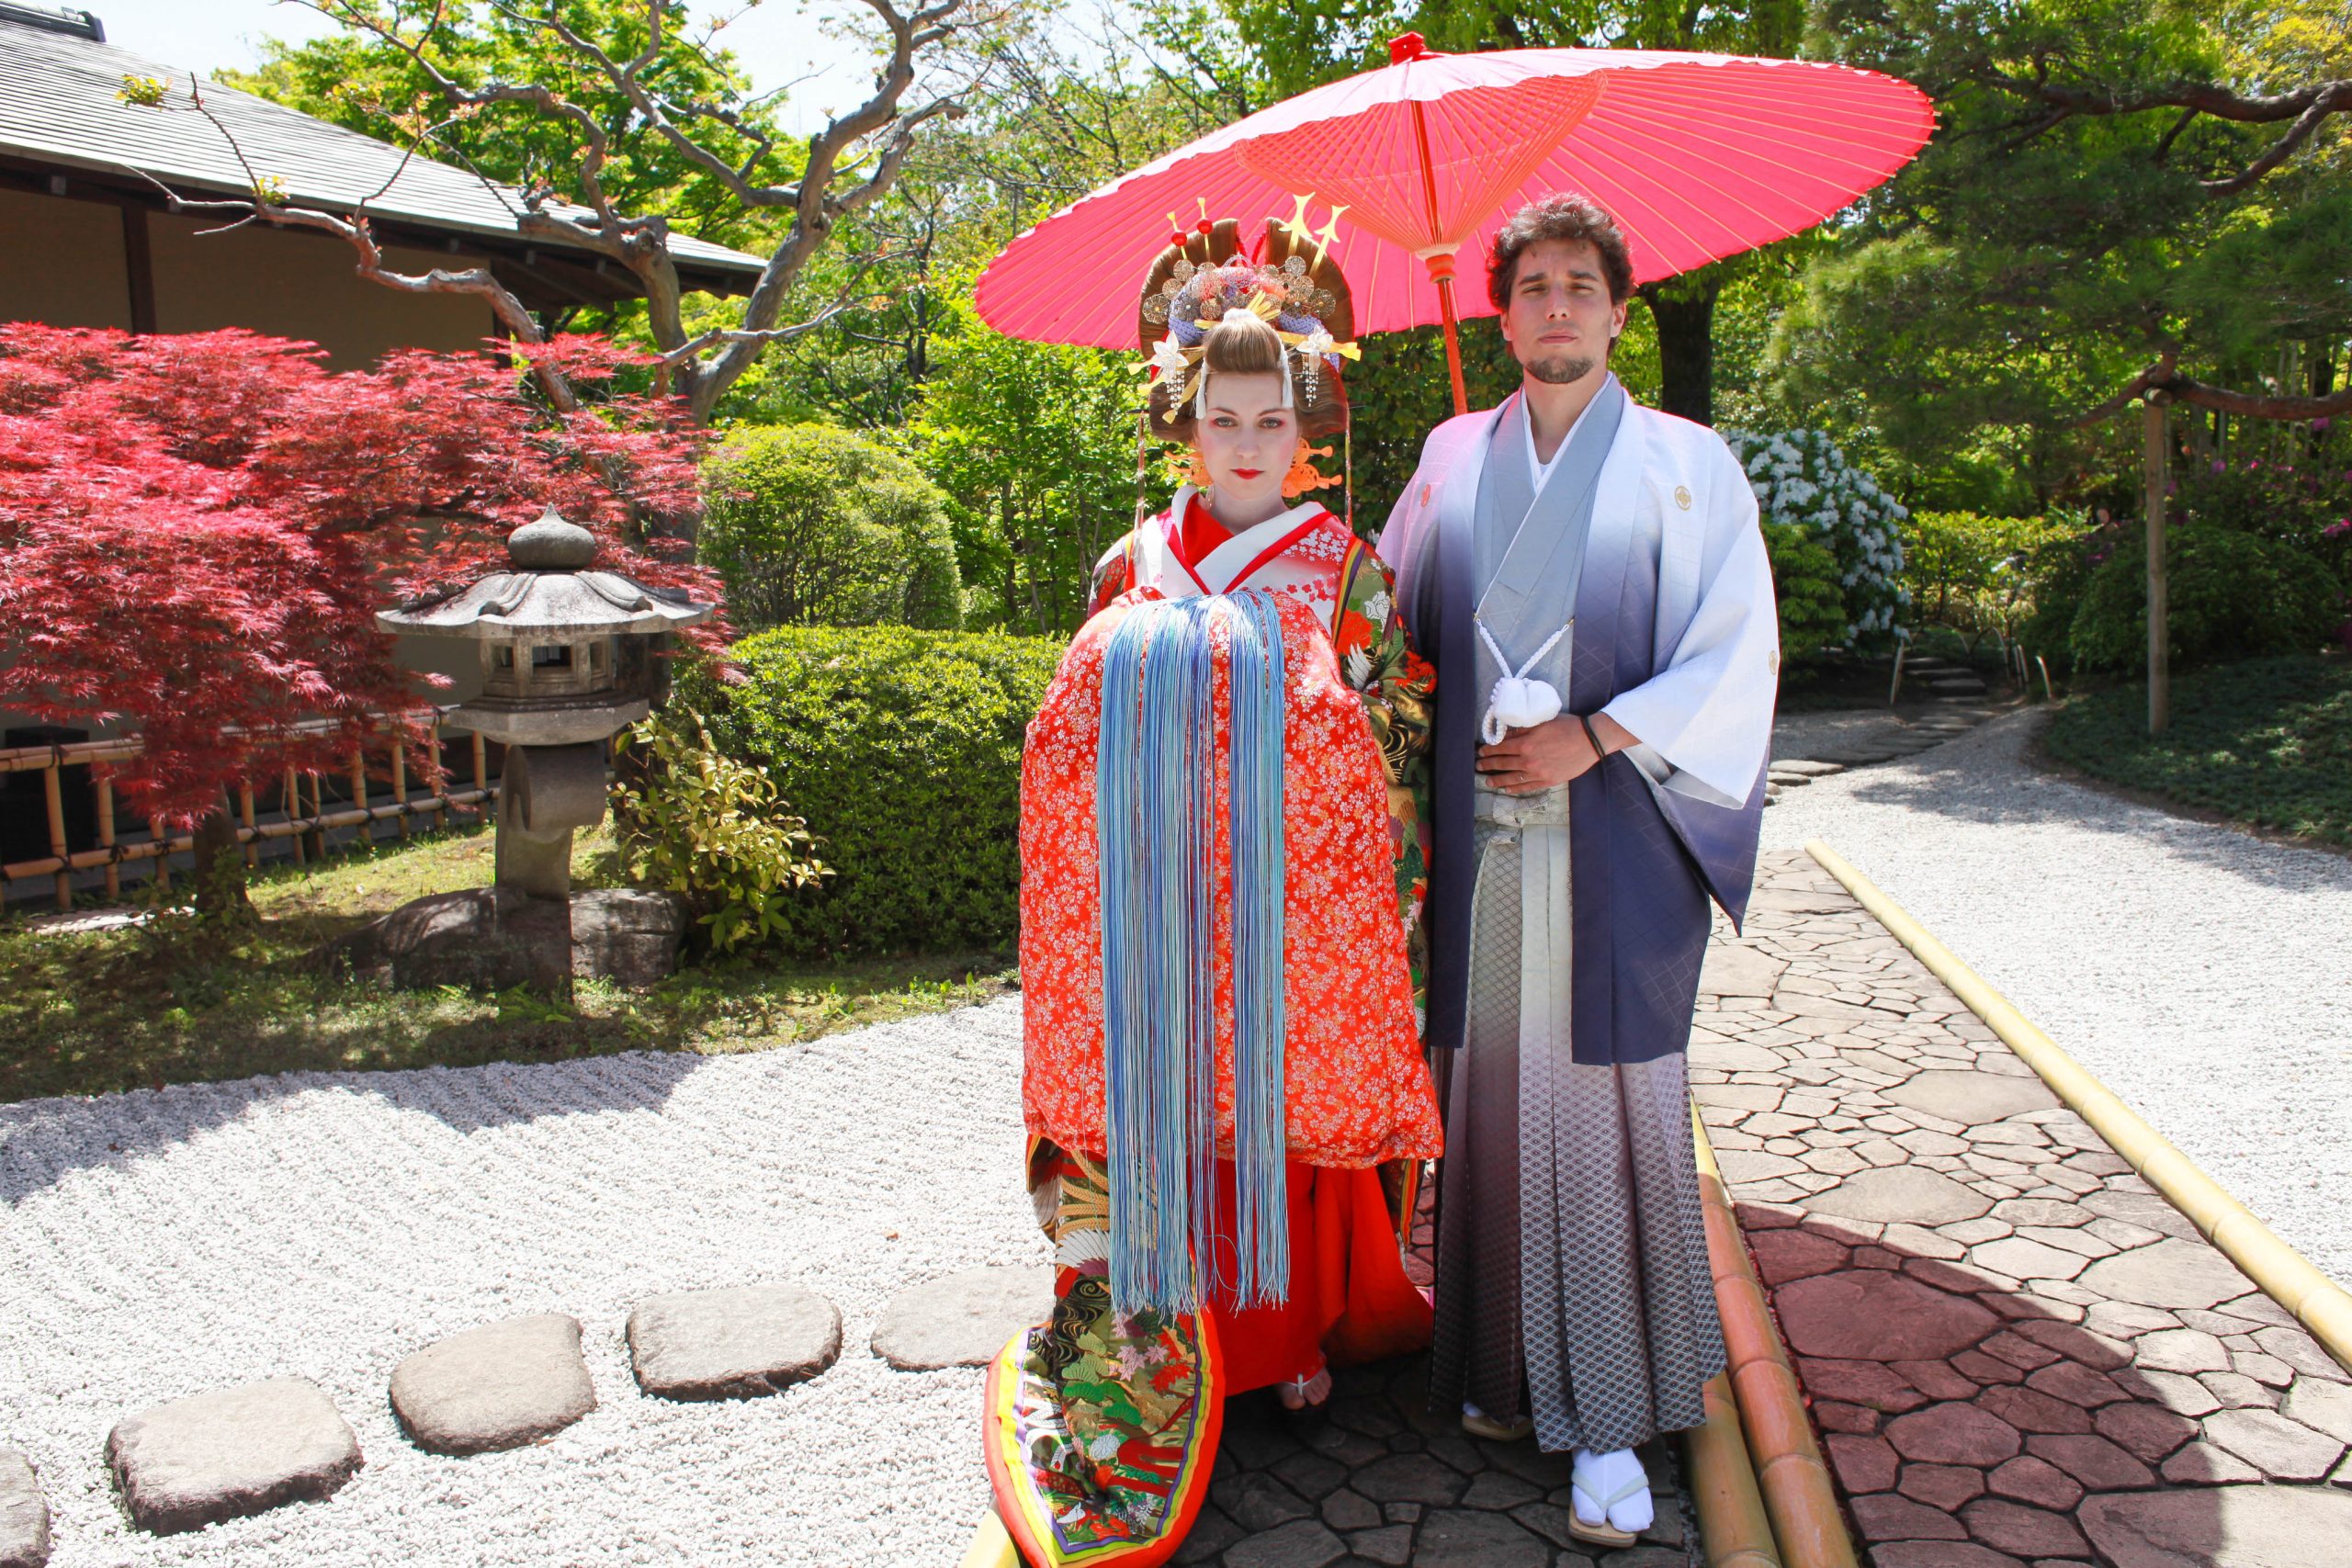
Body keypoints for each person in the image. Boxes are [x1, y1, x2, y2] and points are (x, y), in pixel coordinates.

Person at [984, 217, 1443, 1568]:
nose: (1249, 443)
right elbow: (1072, 733)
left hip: (1289, 910)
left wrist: (1348, 825)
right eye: (1222, 417)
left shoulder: (1345, 568)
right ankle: (1157, 1326)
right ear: (1183, 422)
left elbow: (1396, 727)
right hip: (1150, 896)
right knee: (1160, 1108)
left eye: (1272, 417)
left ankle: (1284, 1338)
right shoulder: (1135, 566)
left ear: (1308, 426)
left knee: (1280, 1113)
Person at [1379, 193, 1779, 1549]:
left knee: (1604, 1129)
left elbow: (1736, 655)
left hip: (1613, 840)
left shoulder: (1687, 464)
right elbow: (1380, 636)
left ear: (1618, 310)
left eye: (1580, 285)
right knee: (1492, 1116)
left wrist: (1593, 735)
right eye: (1532, 285)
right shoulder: (1445, 455)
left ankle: (1608, 1415)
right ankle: (1504, 1379)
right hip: (1486, 855)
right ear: (1501, 314)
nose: (1557, 305)